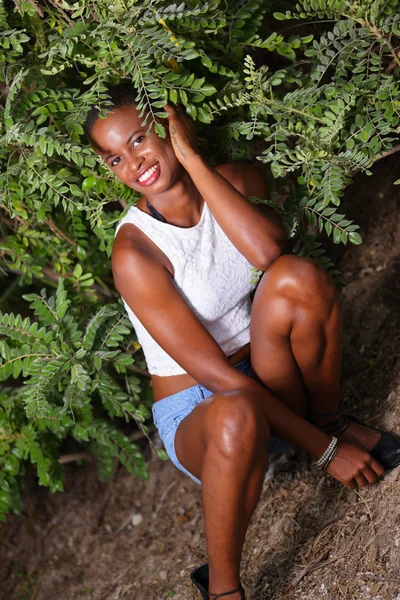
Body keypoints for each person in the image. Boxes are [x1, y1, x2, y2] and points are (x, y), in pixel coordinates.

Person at [84, 83, 400, 600]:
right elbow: (217, 378)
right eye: (115, 158)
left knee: (297, 277)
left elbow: (268, 251)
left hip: (267, 374)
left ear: (168, 126)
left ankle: (326, 419)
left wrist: (192, 160)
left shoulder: (236, 179)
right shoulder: (136, 251)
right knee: (235, 412)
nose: (133, 163)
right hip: (203, 411)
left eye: (140, 139)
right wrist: (328, 455)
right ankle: (223, 588)